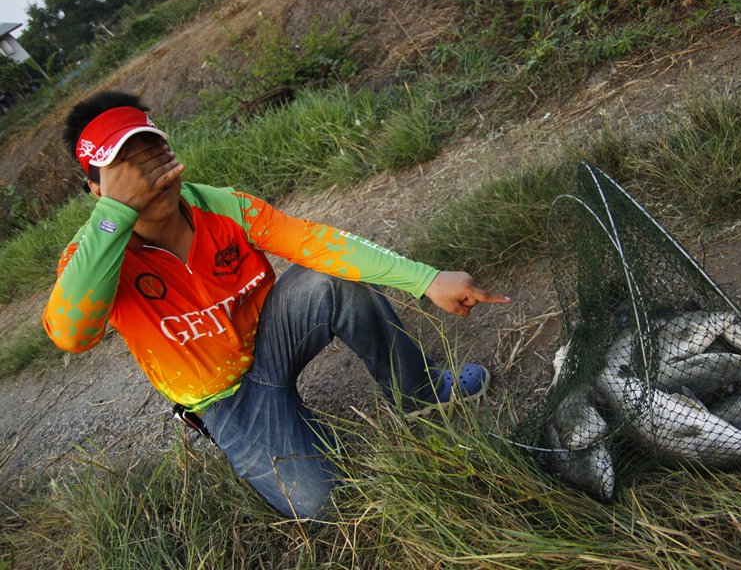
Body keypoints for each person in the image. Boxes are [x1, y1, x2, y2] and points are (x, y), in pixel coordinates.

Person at [42, 91, 511, 520]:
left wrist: (427, 279)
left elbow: (317, 243)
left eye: (154, 154)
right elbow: (71, 335)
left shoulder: (222, 207)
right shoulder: (94, 255)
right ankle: (270, 436)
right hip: (223, 397)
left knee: (332, 278)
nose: (151, 176)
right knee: (324, 502)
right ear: (98, 191)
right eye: (127, 168)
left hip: (270, 337)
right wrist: (114, 218)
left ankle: (420, 391)